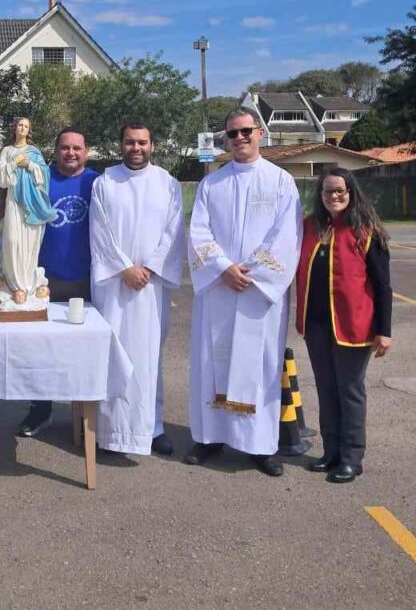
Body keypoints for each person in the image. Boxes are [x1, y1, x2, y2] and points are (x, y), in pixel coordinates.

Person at [186, 107, 302, 477]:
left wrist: (251, 273)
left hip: (258, 293)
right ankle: (209, 438)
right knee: (213, 363)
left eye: (245, 131)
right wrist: (223, 268)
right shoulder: (211, 184)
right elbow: (198, 232)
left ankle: (260, 446)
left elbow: (287, 236)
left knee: (261, 365)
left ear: (260, 132)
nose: (239, 138)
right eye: (232, 133)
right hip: (219, 289)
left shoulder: (281, 181)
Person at [89, 123, 185, 456]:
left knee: (148, 358)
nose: (136, 148)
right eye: (130, 142)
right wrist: (124, 268)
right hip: (115, 287)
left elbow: (174, 232)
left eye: (142, 142)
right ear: (120, 145)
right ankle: (109, 431)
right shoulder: (105, 183)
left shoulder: (168, 183)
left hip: (151, 288)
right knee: (113, 356)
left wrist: (151, 267)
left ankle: (152, 427)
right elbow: (99, 231)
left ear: (152, 145)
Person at [296, 167, 392, 483]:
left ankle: (352, 458)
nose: (334, 196)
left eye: (340, 190)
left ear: (351, 192)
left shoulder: (366, 231)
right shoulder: (309, 227)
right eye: (328, 191)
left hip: (353, 325)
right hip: (316, 325)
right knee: (326, 389)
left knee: (349, 391)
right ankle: (331, 452)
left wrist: (384, 331)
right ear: (320, 195)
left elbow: (383, 286)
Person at [17, 127, 99, 438]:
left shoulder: (97, 182)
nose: (71, 153)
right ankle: (40, 408)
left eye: (77, 147)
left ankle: (87, 413)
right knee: (40, 350)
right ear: (55, 151)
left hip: (88, 280)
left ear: (86, 151)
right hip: (44, 279)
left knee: (85, 350)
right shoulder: (40, 178)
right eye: (65, 147)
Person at [0, 116, 56, 304]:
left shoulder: (34, 152)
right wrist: (14, 163)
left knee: (29, 243)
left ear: (29, 131)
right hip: (14, 201)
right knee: (12, 240)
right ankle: (12, 284)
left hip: (32, 204)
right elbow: (0, 177)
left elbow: (44, 175)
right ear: (15, 128)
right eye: (20, 125)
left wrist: (29, 164)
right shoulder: (7, 151)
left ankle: (27, 286)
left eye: (26, 126)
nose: (23, 128)